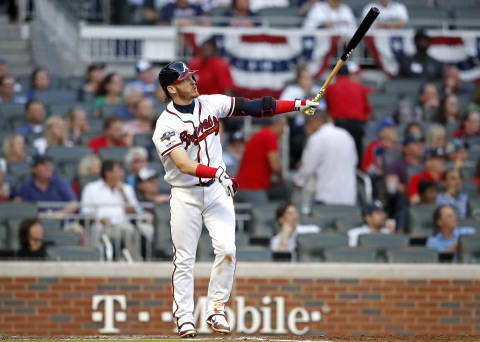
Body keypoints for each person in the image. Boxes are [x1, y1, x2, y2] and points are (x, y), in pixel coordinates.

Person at [152, 61, 318, 337]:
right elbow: (182, 164)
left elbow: (253, 107)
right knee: (184, 259)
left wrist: (298, 104)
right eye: (185, 80)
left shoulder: (209, 103)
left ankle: (216, 309)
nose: (193, 81)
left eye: (192, 76)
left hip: (216, 190)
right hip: (186, 193)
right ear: (171, 88)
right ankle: (184, 317)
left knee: (228, 249)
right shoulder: (165, 124)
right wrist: (217, 171)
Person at [81, 160, 152, 260]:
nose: (122, 174)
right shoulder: (91, 188)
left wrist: (123, 194)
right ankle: (95, 262)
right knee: (96, 230)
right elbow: (86, 213)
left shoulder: (127, 189)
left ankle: (134, 263)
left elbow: (134, 213)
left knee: (131, 230)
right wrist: (99, 219)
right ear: (108, 173)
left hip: (122, 225)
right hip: (101, 225)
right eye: (118, 171)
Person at [292, 110, 357, 206]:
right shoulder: (346, 135)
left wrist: (296, 184)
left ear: (314, 122)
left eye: (307, 124)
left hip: (325, 197)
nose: (306, 130)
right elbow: (355, 162)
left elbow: (306, 169)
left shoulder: (316, 138)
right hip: (349, 197)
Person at [325, 62, 372, 164]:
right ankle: (357, 176)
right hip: (357, 125)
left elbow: (328, 109)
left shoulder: (330, 88)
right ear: (348, 74)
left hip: (339, 124)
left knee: (339, 156)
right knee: (356, 155)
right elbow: (367, 110)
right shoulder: (359, 87)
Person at [280, 63, 322, 169]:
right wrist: (301, 108)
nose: (308, 81)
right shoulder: (291, 91)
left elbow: (323, 110)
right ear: (299, 79)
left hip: (317, 128)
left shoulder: (317, 91)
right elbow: (282, 109)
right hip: (298, 127)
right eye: (305, 78)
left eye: (310, 78)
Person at [236, 117, 286, 204]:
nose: (283, 131)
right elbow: (274, 165)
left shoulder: (260, 134)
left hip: (242, 185)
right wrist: (281, 177)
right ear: (278, 124)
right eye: (283, 127)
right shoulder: (270, 136)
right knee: (262, 214)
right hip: (253, 187)